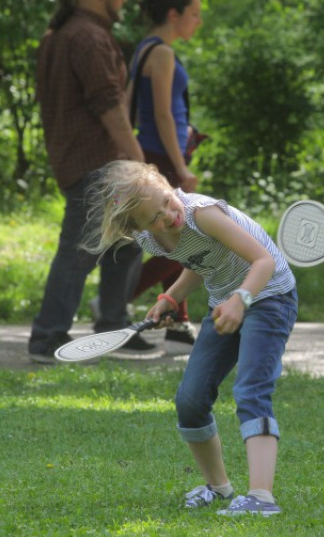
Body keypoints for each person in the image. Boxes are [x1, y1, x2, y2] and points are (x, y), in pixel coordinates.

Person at [83, 160, 298, 516]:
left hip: (269, 295)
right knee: (190, 399)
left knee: (251, 390)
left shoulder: (202, 214)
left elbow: (263, 261)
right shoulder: (150, 237)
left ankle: (261, 497)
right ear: (134, 227)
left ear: (168, 185)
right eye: (154, 217)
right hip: (226, 303)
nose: (168, 215)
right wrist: (171, 297)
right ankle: (219, 488)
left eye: (167, 201)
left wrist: (240, 301)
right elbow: (200, 261)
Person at [28, 0, 156, 363]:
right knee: (80, 252)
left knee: (128, 243)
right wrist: (139, 161)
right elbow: (110, 108)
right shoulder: (87, 36)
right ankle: (47, 337)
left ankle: (113, 327)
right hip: (96, 163)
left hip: (80, 160)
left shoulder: (60, 35)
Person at [124, 0, 203, 353]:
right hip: (161, 157)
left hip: (154, 153)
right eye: (194, 14)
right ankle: (121, 297)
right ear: (173, 14)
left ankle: (176, 324)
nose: (198, 22)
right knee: (183, 236)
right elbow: (162, 114)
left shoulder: (145, 48)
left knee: (174, 237)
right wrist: (180, 167)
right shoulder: (162, 53)